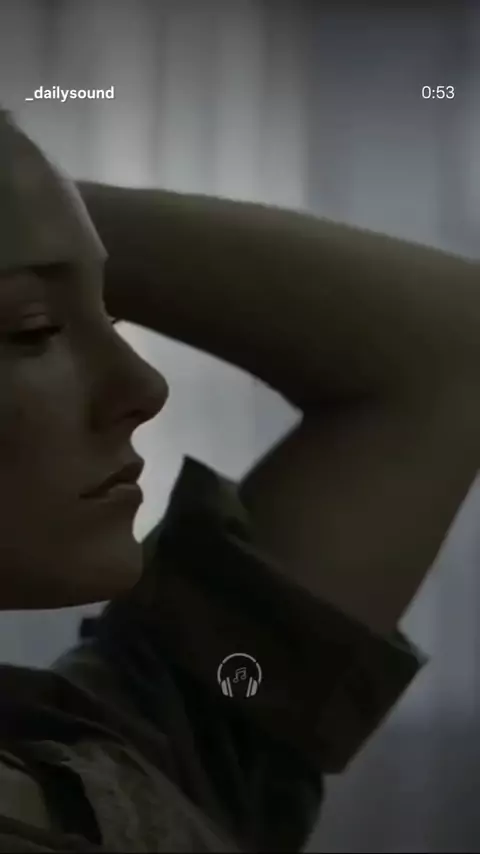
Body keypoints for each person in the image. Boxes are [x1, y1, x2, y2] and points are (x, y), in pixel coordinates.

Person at [0, 107, 479, 853]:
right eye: (33, 330)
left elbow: (454, 349)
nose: (144, 387)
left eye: (111, 315)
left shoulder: (124, 767)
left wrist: (37, 209)